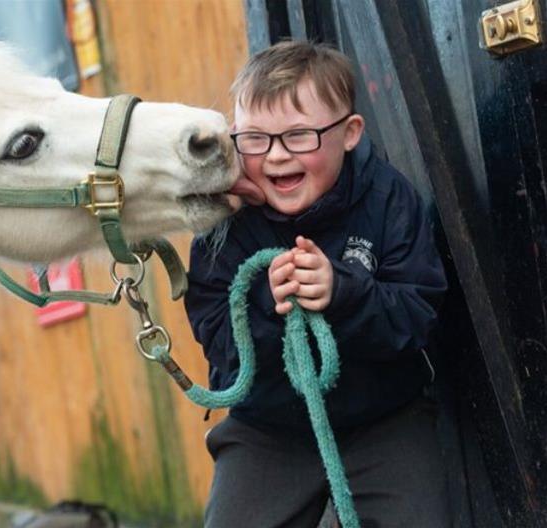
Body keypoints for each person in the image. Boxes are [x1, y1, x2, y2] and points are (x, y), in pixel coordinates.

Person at [185, 40, 451, 527]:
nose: (276, 157)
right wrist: (263, 303)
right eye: (255, 139)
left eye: (299, 136)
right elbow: (219, 344)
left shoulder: (390, 200)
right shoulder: (224, 226)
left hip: (384, 419)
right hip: (268, 428)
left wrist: (345, 294)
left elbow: (418, 318)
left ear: (349, 133)